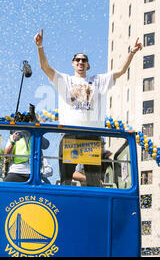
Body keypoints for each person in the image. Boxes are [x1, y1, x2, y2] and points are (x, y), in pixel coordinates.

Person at [34, 29, 142, 186]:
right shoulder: (65, 80)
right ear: (73, 63)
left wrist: (132, 52)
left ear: (88, 65)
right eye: (77, 60)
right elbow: (45, 67)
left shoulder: (98, 80)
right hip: (70, 136)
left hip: (91, 137)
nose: (80, 62)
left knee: (93, 181)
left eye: (83, 60)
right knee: (66, 179)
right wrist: (40, 47)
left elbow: (120, 71)